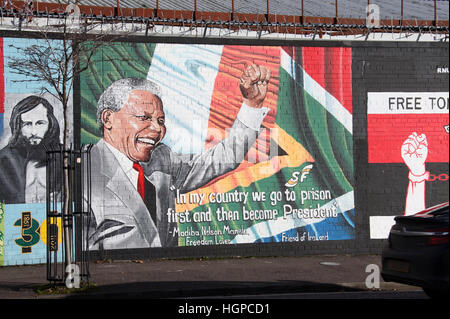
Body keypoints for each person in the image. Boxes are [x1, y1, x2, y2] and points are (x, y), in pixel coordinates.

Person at [87, 64, 271, 250]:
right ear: (108, 118)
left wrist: (252, 105)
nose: (158, 129)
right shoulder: (83, 170)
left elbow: (223, 158)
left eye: (160, 121)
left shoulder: (162, 160)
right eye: (144, 118)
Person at [0, 95, 61, 204]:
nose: (34, 132)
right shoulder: (4, 159)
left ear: (50, 124)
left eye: (40, 123)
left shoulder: (64, 157)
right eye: (27, 124)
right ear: (18, 126)